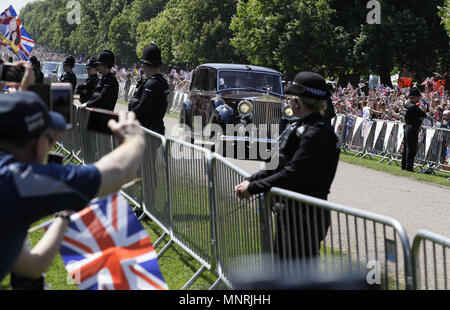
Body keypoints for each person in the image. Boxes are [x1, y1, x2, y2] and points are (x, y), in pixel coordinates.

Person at [0, 83, 145, 282]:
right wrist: (134, 139)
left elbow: (34, 264)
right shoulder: (16, 180)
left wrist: (63, 217)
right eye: (50, 138)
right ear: (36, 143)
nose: (51, 145)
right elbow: (118, 172)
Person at [235, 71, 340, 260]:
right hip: (290, 213)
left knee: (297, 275)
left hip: (305, 218)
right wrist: (252, 180)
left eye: (291, 99)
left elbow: (294, 172)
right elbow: (278, 164)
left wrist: (254, 187)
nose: (289, 103)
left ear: (298, 102)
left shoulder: (317, 134)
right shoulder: (300, 128)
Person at [128, 43, 169, 135]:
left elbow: (143, 106)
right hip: (156, 129)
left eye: (143, 63)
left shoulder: (151, 83)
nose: (142, 66)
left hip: (148, 130)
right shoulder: (162, 81)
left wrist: (128, 116)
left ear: (146, 64)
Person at [401, 87, 427, 172]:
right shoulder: (414, 107)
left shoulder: (407, 105)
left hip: (406, 127)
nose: (419, 98)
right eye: (418, 97)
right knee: (411, 149)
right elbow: (424, 115)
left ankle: (403, 166)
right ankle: (409, 167)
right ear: (414, 97)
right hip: (412, 129)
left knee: (405, 148)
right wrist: (419, 119)